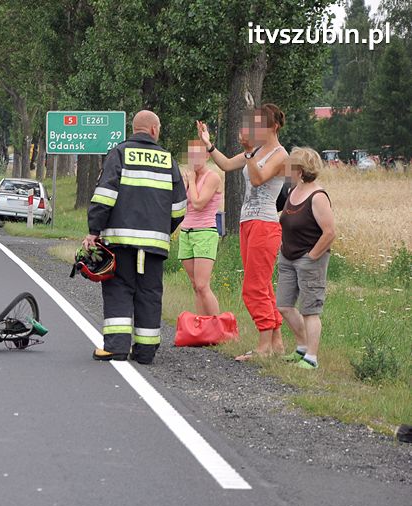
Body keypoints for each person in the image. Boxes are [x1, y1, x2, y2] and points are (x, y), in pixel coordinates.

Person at [84, 110, 187, 364]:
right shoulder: (167, 159)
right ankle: (145, 352)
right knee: (149, 294)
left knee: (119, 289)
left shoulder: (119, 154)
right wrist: (162, 230)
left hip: (120, 243)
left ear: (135, 129)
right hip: (154, 246)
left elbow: (104, 197)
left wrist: (94, 231)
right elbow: (180, 208)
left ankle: (117, 347)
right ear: (153, 130)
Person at [197, 103, 288, 361]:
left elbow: (259, 179)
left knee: (253, 287)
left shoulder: (281, 155)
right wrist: (208, 144)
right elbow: (225, 165)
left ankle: (263, 345)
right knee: (263, 286)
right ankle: (276, 342)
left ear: (274, 127)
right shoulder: (255, 151)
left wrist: (249, 153)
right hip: (248, 222)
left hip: (265, 223)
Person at [277, 147, 336, 369]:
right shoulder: (293, 190)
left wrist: (312, 257)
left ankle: (311, 358)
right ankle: (301, 347)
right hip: (288, 257)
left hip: (309, 259)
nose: (286, 170)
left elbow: (330, 232)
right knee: (283, 305)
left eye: (291, 166)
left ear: (301, 170)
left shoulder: (318, 196)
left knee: (310, 310)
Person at [178, 139, 223, 316]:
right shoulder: (189, 176)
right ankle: (201, 325)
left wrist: (193, 180)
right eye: (191, 155)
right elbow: (180, 203)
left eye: (198, 155)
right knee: (195, 285)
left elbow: (198, 203)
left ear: (206, 155)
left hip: (204, 232)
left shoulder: (212, 177)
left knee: (203, 285)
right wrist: (186, 183)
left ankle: (217, 325)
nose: (194, 159)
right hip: (186, 231)